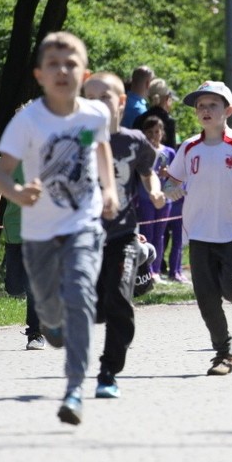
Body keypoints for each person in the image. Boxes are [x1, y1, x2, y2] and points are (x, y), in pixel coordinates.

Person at [0, 31, 119, 425]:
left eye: (71, 64)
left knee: (81, 296)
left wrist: (110, 189)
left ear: (84, 74)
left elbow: (101, 148)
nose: (62, 70)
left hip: (83, 223)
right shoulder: (27, 120)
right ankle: (49, 323)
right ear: (39, 75)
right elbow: (0, 177)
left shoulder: (94, 115)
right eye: (53, 64)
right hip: (38, 231)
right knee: (48, 307)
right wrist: (18, 194)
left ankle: (74, 389)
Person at [164, 81, 232, 375]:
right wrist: (170, 190)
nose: (205, 110)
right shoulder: (188, 146)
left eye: (212, 105)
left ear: (227, 110)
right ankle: (223, 354)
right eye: (201, 106)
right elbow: (172, 181)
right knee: (206, 298)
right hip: (198, 233)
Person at [84, 72, 166, 399]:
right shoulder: (76, 140)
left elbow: (148, 175)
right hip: (84, 237)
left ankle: (108, 371)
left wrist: (156, 192)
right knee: (97, 306)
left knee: (118, 301)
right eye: (89, 99)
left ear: (121, 102)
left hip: (122, 234)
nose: (96, 105)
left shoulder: (134, 141)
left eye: (104, 97)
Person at [0, 149, 45, 350]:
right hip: (13, 230)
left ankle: (35, 333)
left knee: (32, 283)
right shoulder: (7, 159)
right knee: (14, 287)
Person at [136, 116, 178, 283]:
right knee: (147, 233)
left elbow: (176, 177)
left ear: (162, 133)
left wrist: (168, 174)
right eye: (150, 132)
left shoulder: (169, 152)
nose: (154, 135)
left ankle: (156, 271)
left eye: (157, 131)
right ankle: (145, 271)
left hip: (164, 199)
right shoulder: (141, 150)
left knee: (160, 235)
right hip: (145, 198)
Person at [132, 78, 178, 149]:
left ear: (149, 98)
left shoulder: (139, 119)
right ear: (167, 98)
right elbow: (172, 149)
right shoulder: (169, 121)